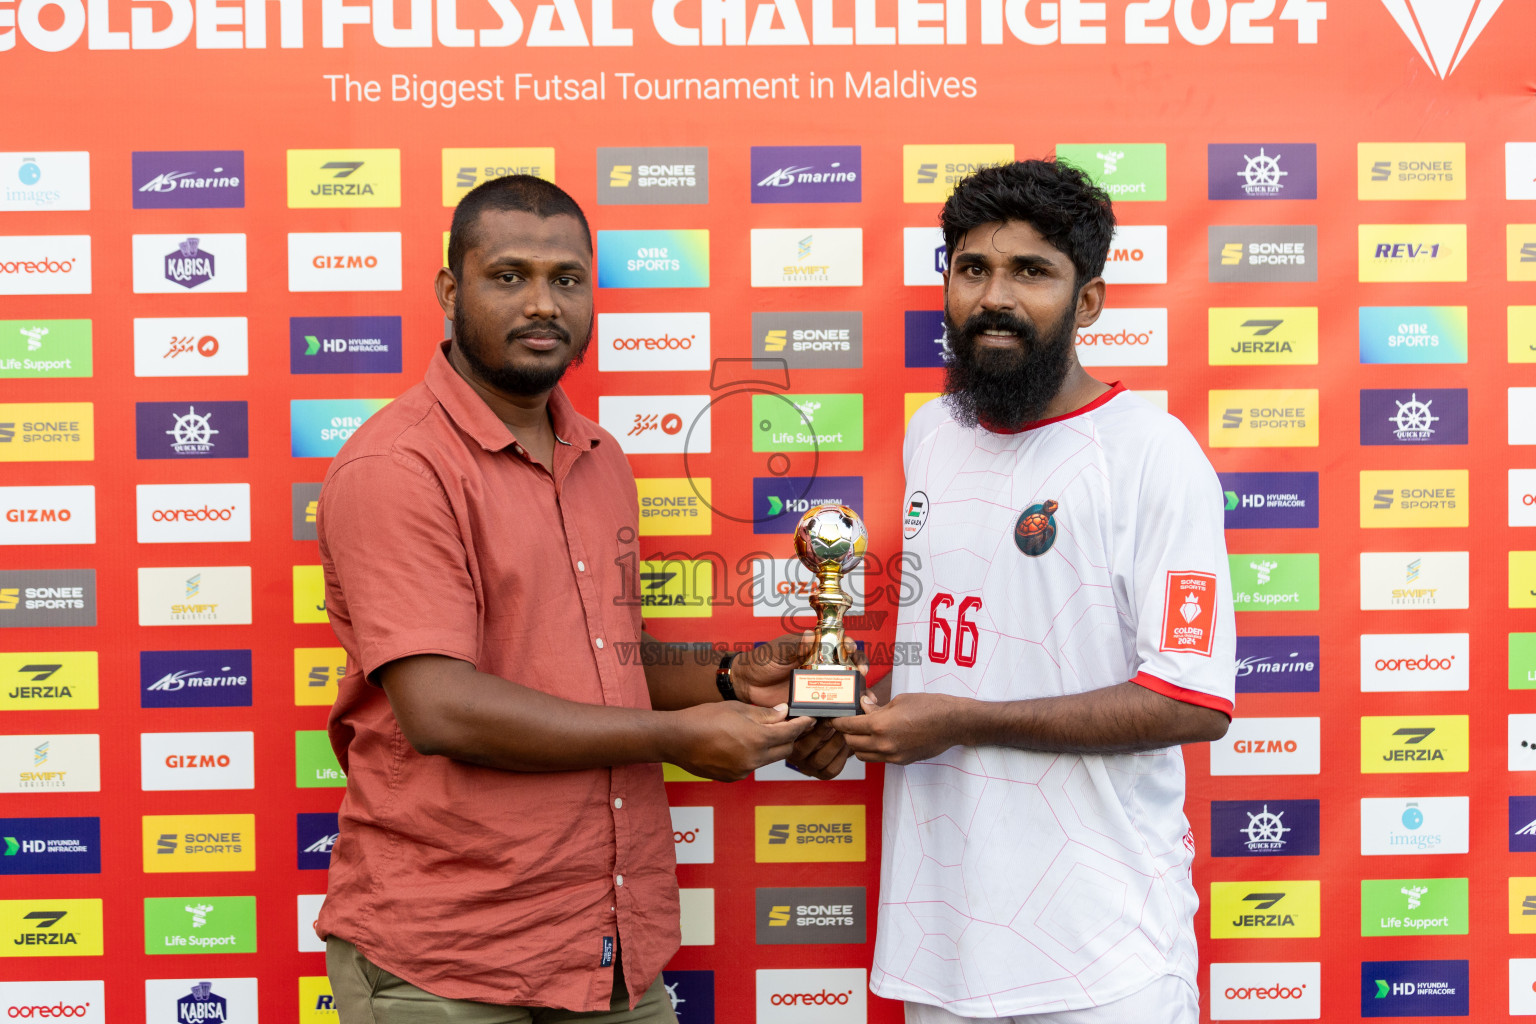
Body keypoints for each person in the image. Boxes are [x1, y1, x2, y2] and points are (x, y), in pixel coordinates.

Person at [314, 175, 845, 1023]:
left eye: (566, 279)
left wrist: (728, 678)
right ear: (451, 291)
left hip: (606, 941)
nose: (542, 304)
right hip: (449, 958)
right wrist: (677, 738)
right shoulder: (396, 468)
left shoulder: (601, 459)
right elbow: (441, 710)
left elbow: (605, 663)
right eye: (508, 276)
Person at [832, 160, 1235, 1024]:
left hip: (1101, 961)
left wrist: (964, 722)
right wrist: (859, 711)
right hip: (939, 946)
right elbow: (956, 648)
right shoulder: (932, 431)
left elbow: (1190, 701)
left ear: (1086, 302)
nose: (994, 297)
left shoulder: (1153, 455)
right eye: (973, 268)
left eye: (1032, 272)